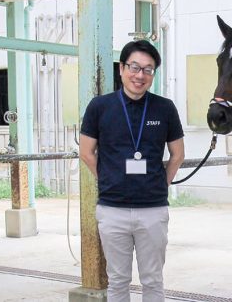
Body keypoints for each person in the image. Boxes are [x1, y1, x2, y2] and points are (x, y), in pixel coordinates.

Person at [79, 40, 185, 302]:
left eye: (148, 70)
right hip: (112, 210)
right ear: (122, 68)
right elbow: (86, 151)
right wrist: (105, 179)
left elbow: (178, 154)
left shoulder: (165, 107)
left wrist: (163, 183)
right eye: (135, 67)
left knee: (152, 280)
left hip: (153, 210)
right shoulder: (99, 106)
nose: (140, 75)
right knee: (117, 281)